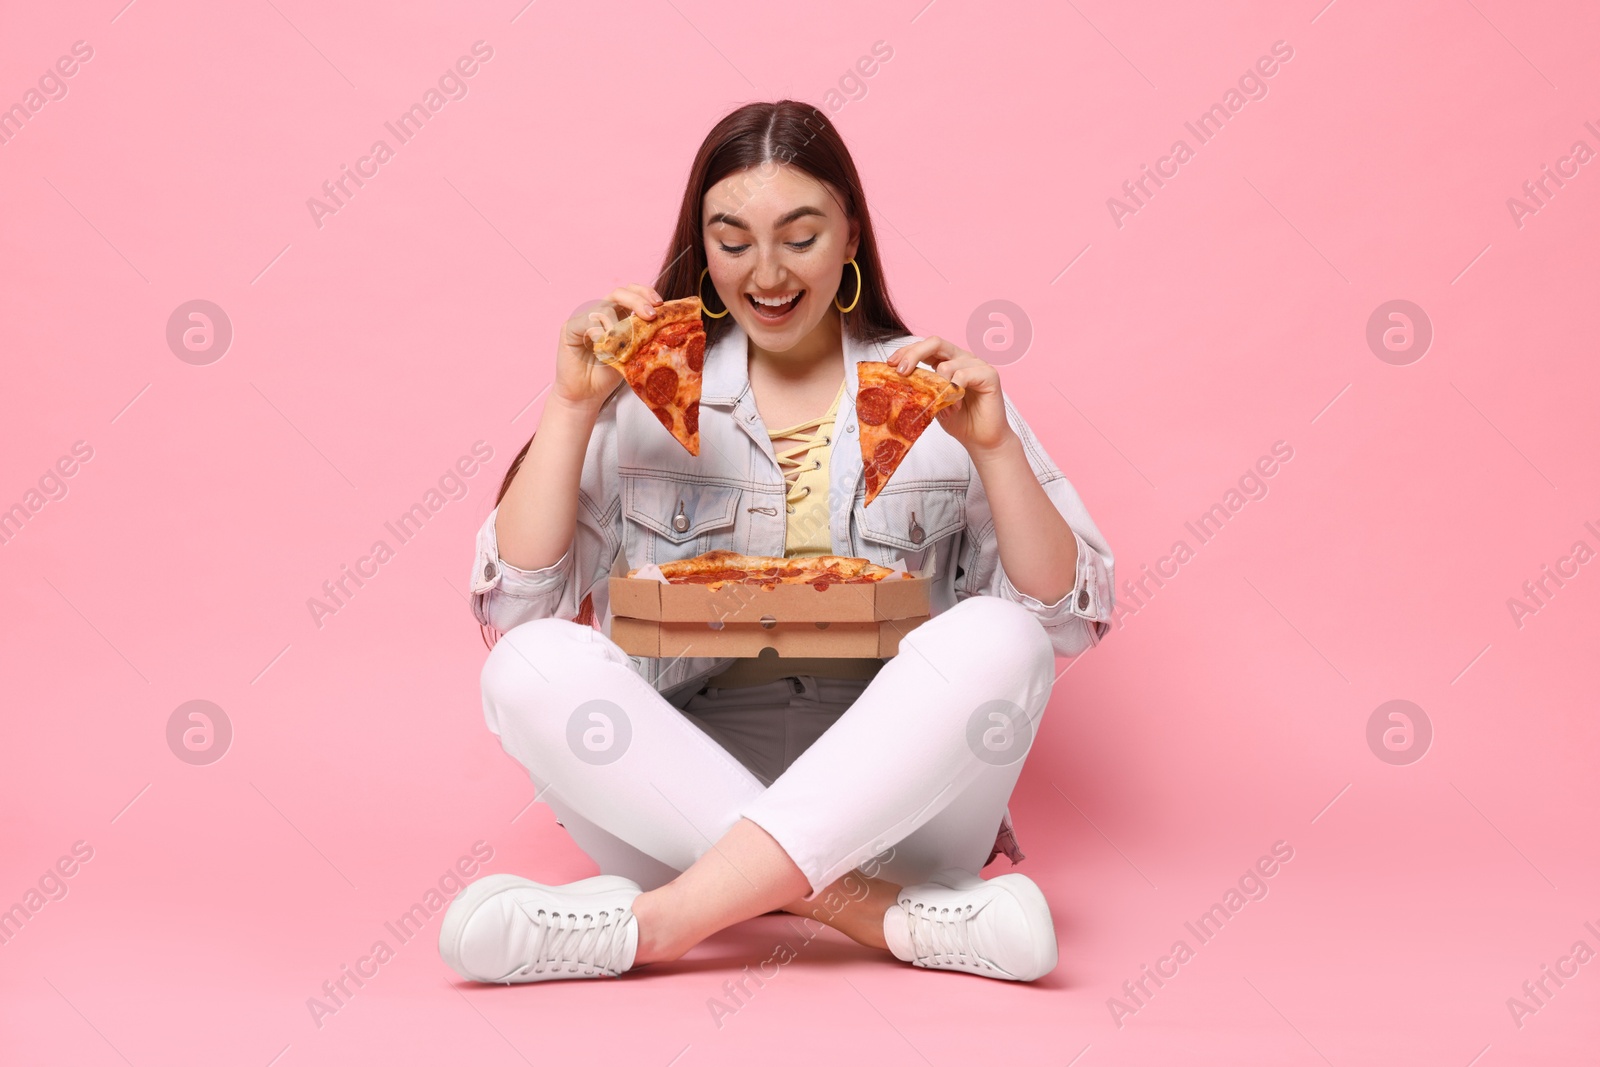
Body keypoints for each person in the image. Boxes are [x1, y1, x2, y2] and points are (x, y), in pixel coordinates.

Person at [439, 100, 1115, 985]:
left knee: (1005, 638)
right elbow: (518, 603)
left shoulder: (933, 389)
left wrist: (993, 449)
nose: (765, 273)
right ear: (702, 243)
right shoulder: (646, 382)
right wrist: (571, 406)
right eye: (732, 239)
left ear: (851, 236)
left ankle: (659, 923)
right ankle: (889, 918)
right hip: (674, 797)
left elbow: (1065, 619)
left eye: (799, 236)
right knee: (525, 663)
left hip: (902, 803)